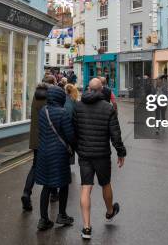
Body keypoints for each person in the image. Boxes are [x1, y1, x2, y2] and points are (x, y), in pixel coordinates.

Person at [74, 78, 126, 240]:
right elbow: (115, 134)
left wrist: (78, 147)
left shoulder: (78, 106)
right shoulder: (108, 108)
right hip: (102, 155)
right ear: (101, 89)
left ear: (89, 89)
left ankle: (87, 228)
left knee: (86, 187)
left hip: (84, 154)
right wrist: (121, 152)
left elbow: (73, 130)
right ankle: (110, 211)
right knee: (105, 184)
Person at [35, 86, 77, 230]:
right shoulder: (63, 113)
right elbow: (70, 135)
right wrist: (75, 147)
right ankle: (62, 215)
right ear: (60, 98)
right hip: (59, 153)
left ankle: (43, 219)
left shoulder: (43, 111)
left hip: (43, 151)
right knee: (63, 184)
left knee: (47, 185)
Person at [21, 75, 57, 211]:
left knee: (35, 166)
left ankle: (26, 192)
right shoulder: (51, 97)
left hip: (36, 138)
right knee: (52, 165)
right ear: (52, 84)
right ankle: (54, 194)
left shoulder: (36, 96)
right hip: (49, 137)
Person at [64, 84, 79, 165]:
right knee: (70, 147)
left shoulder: (63, 100)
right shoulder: (75, 101)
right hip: (73, 129)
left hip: (65, 128)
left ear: (66, 91)